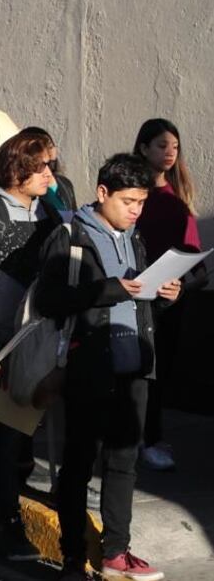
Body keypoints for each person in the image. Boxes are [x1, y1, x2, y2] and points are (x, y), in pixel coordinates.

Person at [37, 154, 179, 581]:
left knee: (123, 463)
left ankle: (117, 551)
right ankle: (71, 557)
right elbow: (50, 299)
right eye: (128, 201)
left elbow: (141, 297)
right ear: (102, 193)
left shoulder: (135, 238)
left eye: (141, 202)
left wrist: (166, 295)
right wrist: (107, 290)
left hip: (134, 367)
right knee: (79, 464)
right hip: (88, 367)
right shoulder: (71, 236)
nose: (136, 211)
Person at [0, 131, 60, 561]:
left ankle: (16, 502)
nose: (50, 173)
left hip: (38, 336)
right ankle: (7, 522)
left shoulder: (47, 209)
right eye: (43, 166)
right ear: (18, 168)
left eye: (51, 165)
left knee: (28, 431)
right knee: (7, 434)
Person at [132, 118, 201, 472]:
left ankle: (150, 435)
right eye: (161, 145)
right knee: (143, 370)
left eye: (174, 146)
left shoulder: (178, 193)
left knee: (161, 369)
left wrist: (191, 275)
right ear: (143, 148)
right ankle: (146, 438)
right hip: (137, 293)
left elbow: (189, 246)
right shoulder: (133, 193)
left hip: (173, 293)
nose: (170, 153)